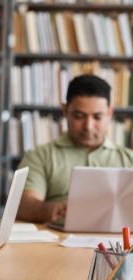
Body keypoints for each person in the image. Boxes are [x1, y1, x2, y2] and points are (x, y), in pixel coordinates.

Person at [17, 74, 133, 223]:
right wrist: (48, 210)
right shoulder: (40, 156)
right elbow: (24, 204)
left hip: (116, 241)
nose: (88, 126)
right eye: (79, 116)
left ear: (110, 113)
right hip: (56, 240)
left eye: (97, 117)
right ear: (65, 111)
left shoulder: (129, 159)